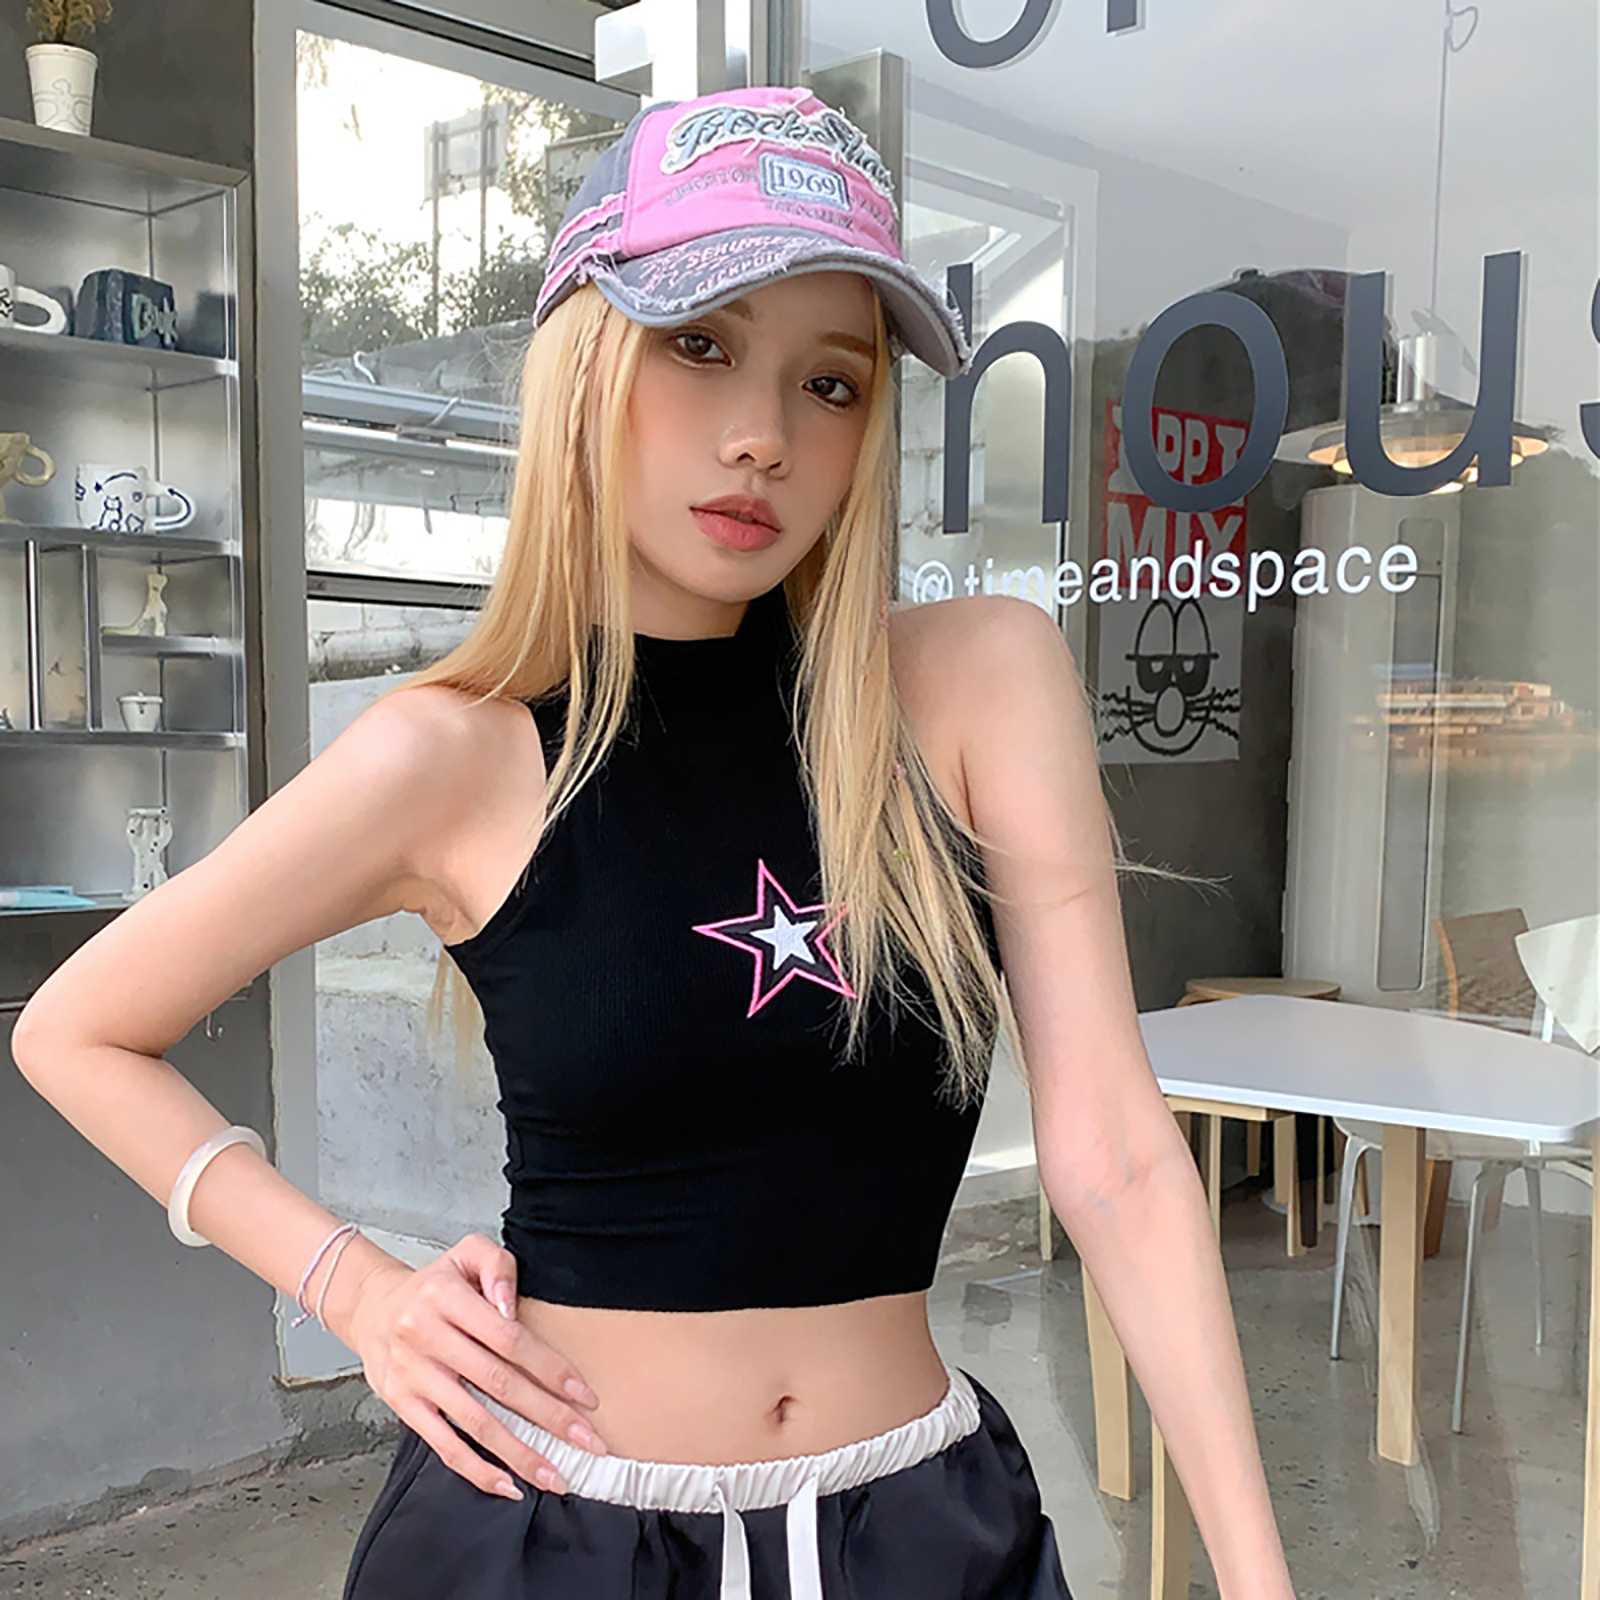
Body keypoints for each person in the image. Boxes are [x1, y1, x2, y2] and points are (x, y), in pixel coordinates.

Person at [10, 84, 1296, 1600]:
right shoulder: (454, 755)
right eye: (699, 345)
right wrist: (351, 1288)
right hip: (554, 1532)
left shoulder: (977, 682)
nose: (762, 437)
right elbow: (78, 1030)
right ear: (586, 361)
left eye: (830, 383)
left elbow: (1122, 1162)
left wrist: (1257, 1581)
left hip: (917, 1537)